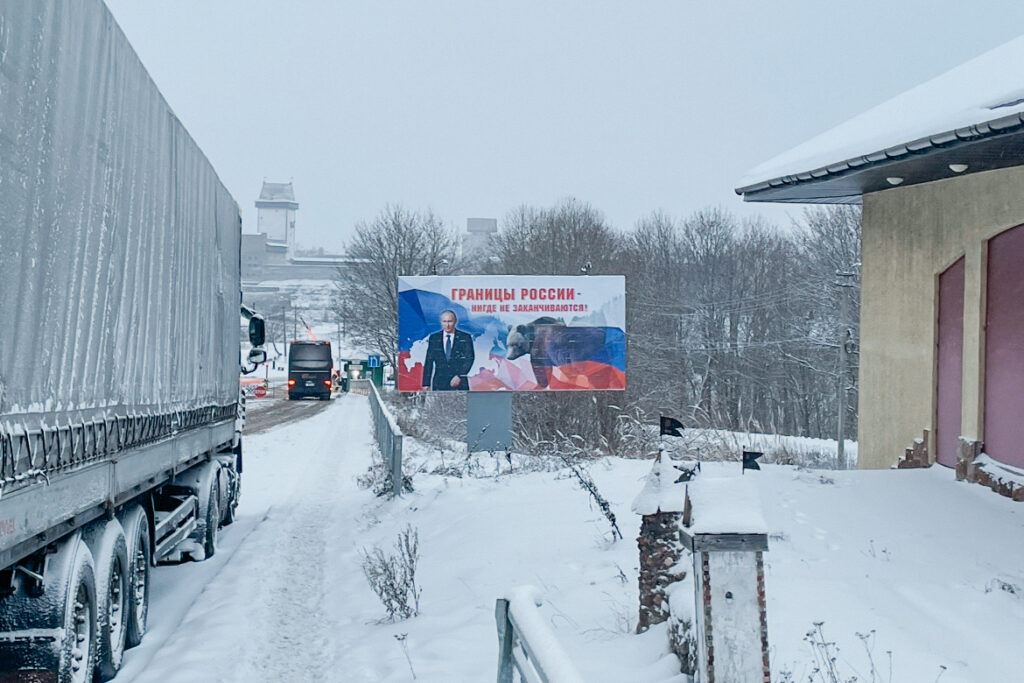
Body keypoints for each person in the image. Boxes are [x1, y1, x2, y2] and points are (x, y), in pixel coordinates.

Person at [422, 309, 475, 390]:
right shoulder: (434, 338)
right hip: (440, 383)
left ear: (455, 321)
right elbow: (429, 361)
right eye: (444, 321)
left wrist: (459, 375)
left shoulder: (465, 337)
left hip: (459, 383)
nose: (447, 325)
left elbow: (469, 358)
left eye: (450, 321)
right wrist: (426, 383)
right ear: (441, 322)